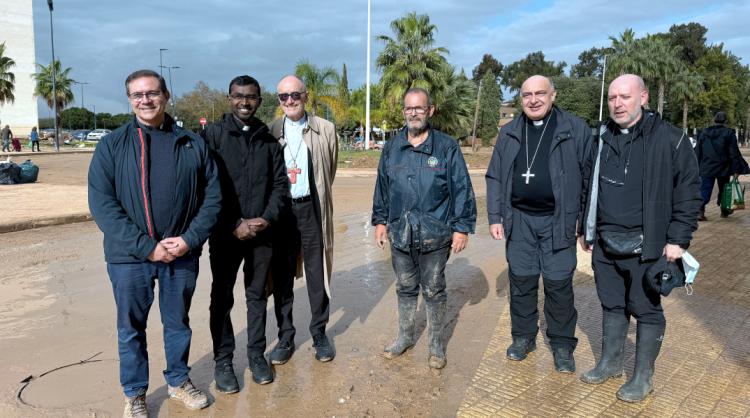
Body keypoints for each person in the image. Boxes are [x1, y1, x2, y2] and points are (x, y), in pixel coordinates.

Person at [88, 69, 221, 417]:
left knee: (178, 323)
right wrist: (146, 246)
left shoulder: (192, 143)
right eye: (137, 95)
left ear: (166, 95)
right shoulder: (111, 145)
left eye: (151, 93)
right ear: (130, 100)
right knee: (131, 329)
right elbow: (102, 205)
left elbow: (213, 198)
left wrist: (190, 239)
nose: (145, 100)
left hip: (181, 255)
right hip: (129, 258)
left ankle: (178, 380)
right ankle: (135, 393)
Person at [578, 74, 701, 402]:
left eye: (625, 97)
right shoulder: (601, 137)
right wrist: (585, 229)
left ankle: (643, 377)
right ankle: (610, 363)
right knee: (612, 304)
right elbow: (588, 184)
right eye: (612, 98)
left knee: (645, 309)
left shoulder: (671, 139)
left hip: (649, 245)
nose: (617, 104)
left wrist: (678, 239)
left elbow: (689, 192)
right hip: (606, 242)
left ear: (643, 97)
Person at [485, 75, 592, 373]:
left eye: (540, 93)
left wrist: (584, 221)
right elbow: (494, 177)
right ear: (520, 99)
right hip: (519, 220)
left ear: (553, 95)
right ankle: (523, 338)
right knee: (521, 282)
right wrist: (495, 216)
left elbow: (588, 179)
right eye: (527, 95)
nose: (533, 100)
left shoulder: (575, 130)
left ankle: (561, 344)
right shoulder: (509, 133)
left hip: (560, 221)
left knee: (559, 285)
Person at [372, 87, 476, 369]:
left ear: (430, 110)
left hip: (435, 235)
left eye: (419, 108)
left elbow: (461, 188)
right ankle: (404, 336)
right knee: (405, 287)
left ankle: (435, 345)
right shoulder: (392, 147)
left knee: (433, 290)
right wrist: (380, 222)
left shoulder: (446, 147)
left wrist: (462, 228)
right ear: (403, 112)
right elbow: (382, 187)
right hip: (401, 233)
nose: (413, 113)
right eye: (409, 108)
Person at [202, 75, 288, 391]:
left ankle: (255, 355)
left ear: (259, 100)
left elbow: (280, 186)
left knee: (256, 297)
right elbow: (207, 186)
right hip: (225, 235)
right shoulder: (211, 136)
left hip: (262, 235)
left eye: (251, 97)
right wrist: (232, 223)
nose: (245, 102)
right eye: (239, 96)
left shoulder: (268, 141)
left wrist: (265, 219)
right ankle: (223, 361)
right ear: (229, 98)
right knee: (221, 297)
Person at [268, 75, 338, 363]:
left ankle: (319, 332)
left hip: (311, 208)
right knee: (282, 276)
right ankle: (285, 336)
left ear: (306, 96)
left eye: (295, 95)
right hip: (282, 214)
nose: (290, 101)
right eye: (284, 96)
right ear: (279, 100)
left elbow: (328, 171)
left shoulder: (325, 129)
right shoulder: (271, 131)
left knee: (316, 271)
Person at [696, 111, 748, 219]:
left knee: (704, 189)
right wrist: (736, 169)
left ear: (714, 120)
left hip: (706, 167)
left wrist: (696, 165)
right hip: (723, 167)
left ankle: (700, 211)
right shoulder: (729, 133)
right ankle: (724, 211)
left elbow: (698, 151)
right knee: (724, 189)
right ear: (725, 121)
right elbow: (733, 153)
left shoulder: (704, 133)